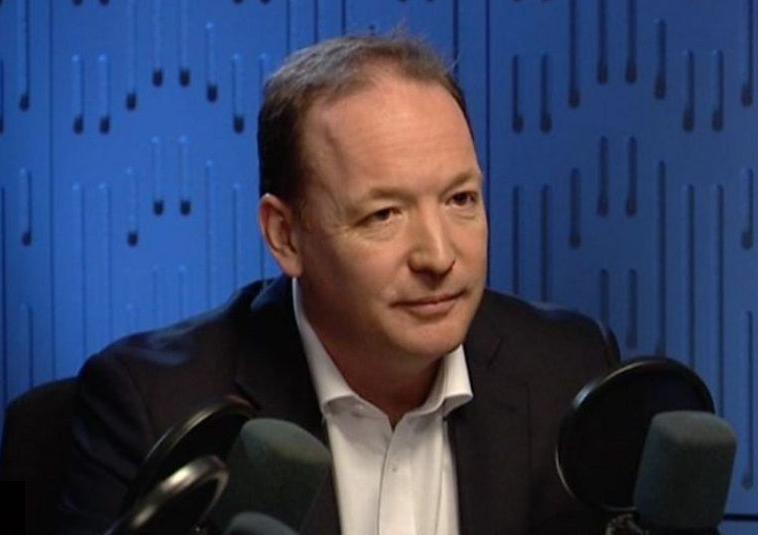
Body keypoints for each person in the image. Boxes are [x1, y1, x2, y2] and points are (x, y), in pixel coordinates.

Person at [58, 34, 619, 535]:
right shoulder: (153, 406)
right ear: (286, 236)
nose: (440, 256)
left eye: (460, 200)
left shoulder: (568, 372)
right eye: (384, 215)